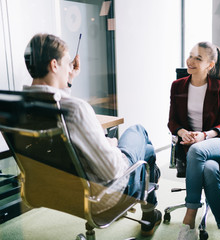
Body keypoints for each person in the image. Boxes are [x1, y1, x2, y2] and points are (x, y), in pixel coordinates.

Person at [23, 33, 161, 236]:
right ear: (54, 65)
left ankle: (149, 211)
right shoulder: (76, 110)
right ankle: (149, 212)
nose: (70, 67)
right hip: (100, 194)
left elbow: (59, 113)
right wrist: (111, 145)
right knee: (139, 134)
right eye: (67, 63)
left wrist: (68, 80)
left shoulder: (21, 105)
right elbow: (112, 170)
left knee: (145, 152)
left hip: (53, 190)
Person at [168, 42, 220, 240]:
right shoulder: (178, 86)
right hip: (191, 148)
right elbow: (172, 121)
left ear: (210, 65)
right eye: (190, 56)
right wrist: (183, 133)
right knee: (209, 169)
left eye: (198, 58)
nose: (190, 61)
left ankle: (189, 217)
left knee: (198, 151)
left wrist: (203, 136)